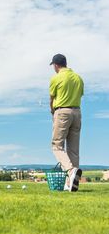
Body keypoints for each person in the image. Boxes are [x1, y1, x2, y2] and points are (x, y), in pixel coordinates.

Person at [49, 54, 84, 192]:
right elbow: (80, 95)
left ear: (56, 65)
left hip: (62, 112)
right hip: (77, 112)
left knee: (57, 145)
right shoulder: (78, 78)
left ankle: (70, 171)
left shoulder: (56, 78)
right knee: (73, 149)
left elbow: (52, 99)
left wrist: (53, 112)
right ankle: (71, 183)